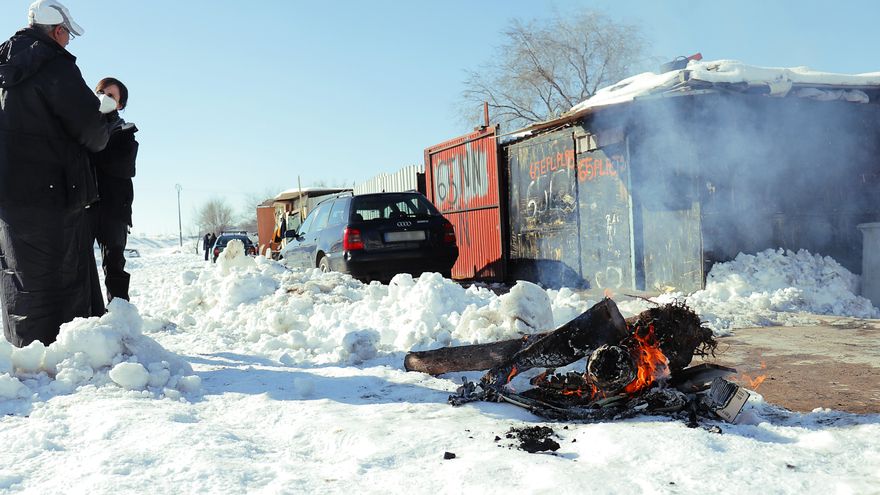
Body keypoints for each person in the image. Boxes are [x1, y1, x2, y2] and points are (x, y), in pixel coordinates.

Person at [0, 0, 110, 347]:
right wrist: (104, 118)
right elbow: (91, 131)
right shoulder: (55, 65)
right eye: (67, 36)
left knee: (18, 272)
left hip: (7, 195)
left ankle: (24, 353)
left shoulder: (3, 66)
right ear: (58, 31)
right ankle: (64, 353)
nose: (67, 43)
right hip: (54, 191)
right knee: (60, 273)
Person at [90, 77, 138, 303]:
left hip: (114, 208)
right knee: (78, 264)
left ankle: (119, 313)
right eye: (100, 92)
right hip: (83, 205)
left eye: (110, 96)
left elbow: (124, 167)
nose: (104, 98)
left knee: (114, 263)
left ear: (120, 104)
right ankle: (84, 316)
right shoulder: (79, 127)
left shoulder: (125, 132)